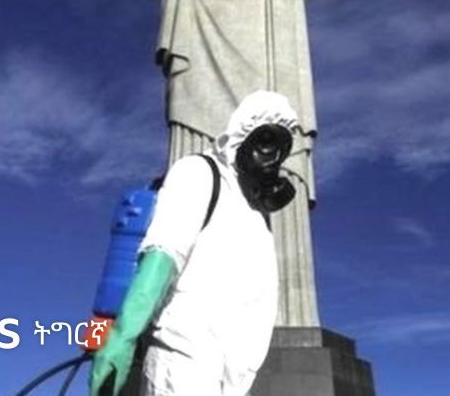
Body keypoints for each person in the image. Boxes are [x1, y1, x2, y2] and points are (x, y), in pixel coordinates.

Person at [0, 0, 450, 327]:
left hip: (271, 72)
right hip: (201, 68)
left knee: (275, 172)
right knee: (192, 180)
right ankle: (180, 315)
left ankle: (287, 319)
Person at [89, 90, 300, 396]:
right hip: (182, 359)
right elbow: (163, 254)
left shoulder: (255, 212)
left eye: (282, 147)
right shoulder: (197, 172)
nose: (272, 156)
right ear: (243, 135)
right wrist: (123, 336)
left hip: (231, 376)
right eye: (266, 141)